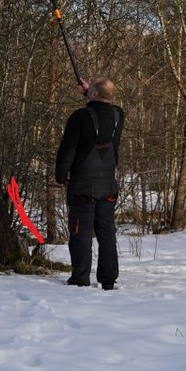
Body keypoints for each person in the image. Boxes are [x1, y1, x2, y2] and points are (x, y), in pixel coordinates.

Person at [54, 76, 124, 290]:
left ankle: (80, 278)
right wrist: (91, 92)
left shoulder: (79, 117)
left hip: (83, 186)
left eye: (90, 89)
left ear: (93, 94)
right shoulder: (117, 115)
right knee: (106, 232)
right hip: (108, 184)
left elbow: (68, 151)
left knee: (80, 233)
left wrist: (61, 175)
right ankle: (108, 280)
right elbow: (100, 107)